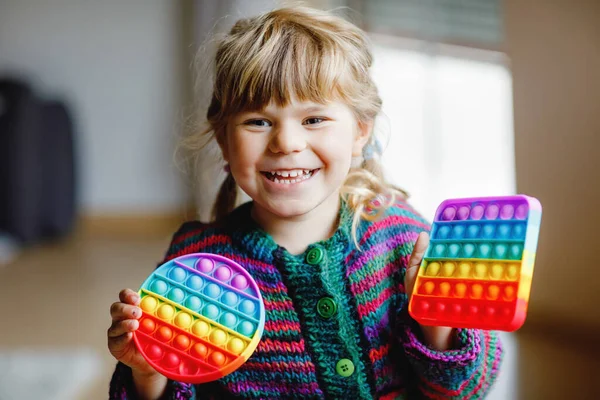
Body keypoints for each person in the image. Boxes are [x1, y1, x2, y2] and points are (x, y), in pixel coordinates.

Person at [107, 6, 502, 399]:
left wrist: (436, 321)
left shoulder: (402, 237)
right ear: (224, 141)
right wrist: (147, 370)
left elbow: (463, 390)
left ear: (360, 132)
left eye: (313, 119)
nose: (287, 143)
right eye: (258, 121)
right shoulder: (198, 264)